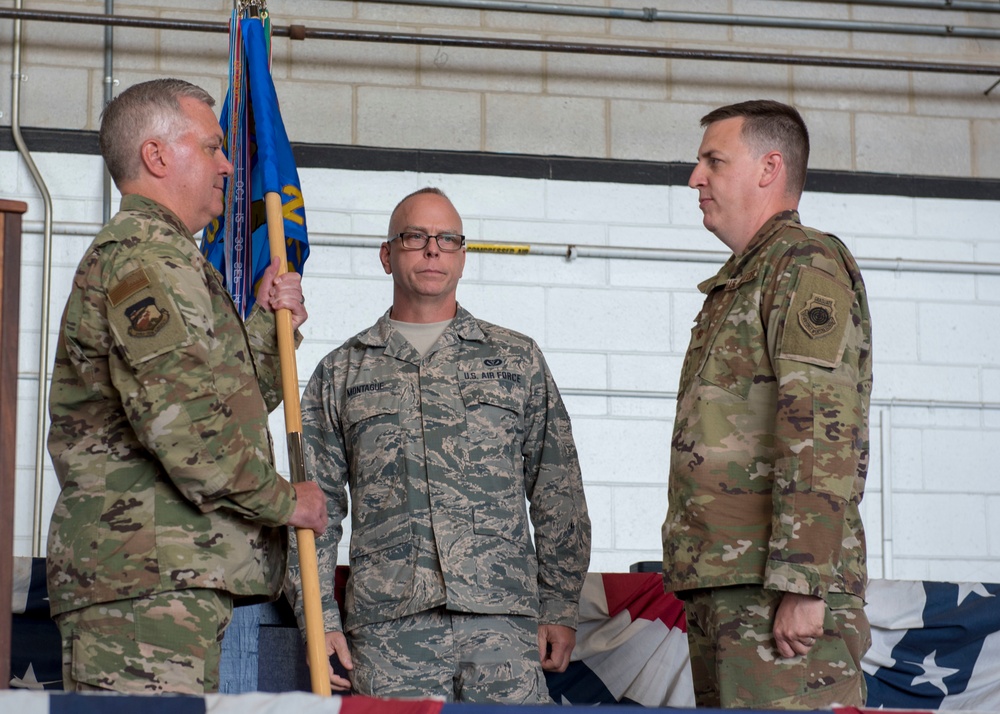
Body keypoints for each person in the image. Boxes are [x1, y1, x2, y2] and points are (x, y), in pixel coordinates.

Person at [45, 78, 327, 695]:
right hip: (143, 582)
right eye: (213, 148)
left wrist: (264, 325)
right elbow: (191, 440)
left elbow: (230, 407)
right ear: (157, 156)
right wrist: (289, 502)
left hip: (172, 578)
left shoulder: (173, 261)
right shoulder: (143, 262)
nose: (229, 165)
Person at [287, 187, 591, 703]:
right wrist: (318, 620)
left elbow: (557, 488)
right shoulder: (341, 372)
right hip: (389, 631)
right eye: (415, 237)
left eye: (448, 239)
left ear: (462, 256)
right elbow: (314, 511)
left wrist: (560, 606)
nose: (433, 250)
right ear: (387, 255)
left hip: (503, 625)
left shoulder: (517, 360)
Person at [661, 100, 872, 710]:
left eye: (713, 161)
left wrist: (805, 581)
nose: (695, 178)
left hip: (775, 592)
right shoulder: (741, 280)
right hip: (730, 587)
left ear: (768, 167)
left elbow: (823, 429)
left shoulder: (803, 264)